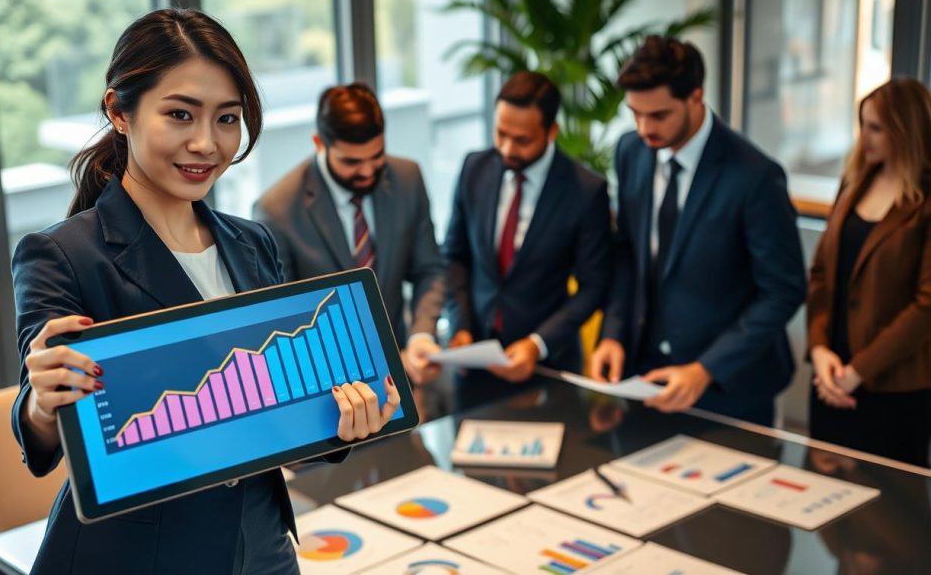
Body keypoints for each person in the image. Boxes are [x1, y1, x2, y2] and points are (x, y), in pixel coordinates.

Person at [10, 10, 399, 575]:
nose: (205, 143)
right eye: (179, 114)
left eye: (227, 119)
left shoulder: (254, 243)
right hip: (139, 555)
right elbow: (40, 428)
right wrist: (44, 402)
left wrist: (343, 424)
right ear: (118, 112)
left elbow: (270, 405)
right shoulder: (61, 253)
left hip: (262, 542)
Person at [590, 36, 806, 426]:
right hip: (645, 376)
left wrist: (706, 368)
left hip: (729, 388)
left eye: (658, 115)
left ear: (696, 97)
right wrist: (613, 333)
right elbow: (626, 252)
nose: (644, 129)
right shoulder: (630, 152)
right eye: (635, 114)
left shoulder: (755, 176)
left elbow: (783, 290)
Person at [253, 83, 444, 386]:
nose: (368, 171)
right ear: (319, 143)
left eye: (377, 155)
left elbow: (429, 269)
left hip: (403, 370)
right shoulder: (276, 211)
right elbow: (283, 321)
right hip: (325, 381)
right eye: (352, 162)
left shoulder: (408, 179)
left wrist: (421, 334)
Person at [442, 71, 612, 411]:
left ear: (551, 132)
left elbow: (595, 286)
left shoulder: (586, 190)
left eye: (521, 140)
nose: (507, 148)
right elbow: (454, 256)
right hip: (474, 366)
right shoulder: (474, 168)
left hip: (548, 368)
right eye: (500, 134)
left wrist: (538, 344)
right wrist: (459, 325)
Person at [806, 78, 931, 467]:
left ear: (905, 131)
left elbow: (927, 306)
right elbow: (823, 274)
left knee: (887, 516)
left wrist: (860, 370)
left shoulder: (925, 202)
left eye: (876, 127)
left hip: (893, 388)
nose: (865, 137)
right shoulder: (854, 182)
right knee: (823, 503)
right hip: (831, 375)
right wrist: (820, 349)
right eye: (863, 124)